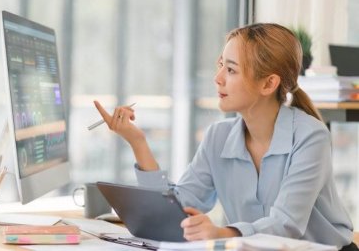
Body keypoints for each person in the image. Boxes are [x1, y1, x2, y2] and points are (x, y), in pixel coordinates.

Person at [94, 23, 358, 251]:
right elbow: (177, 209)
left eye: (231, 70)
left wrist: (222, 234)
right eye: (221, 65)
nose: (217, 78)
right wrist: (137, 142)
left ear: (269, 84)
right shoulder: (217, 136)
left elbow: (286, 224)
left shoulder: (310, 136)